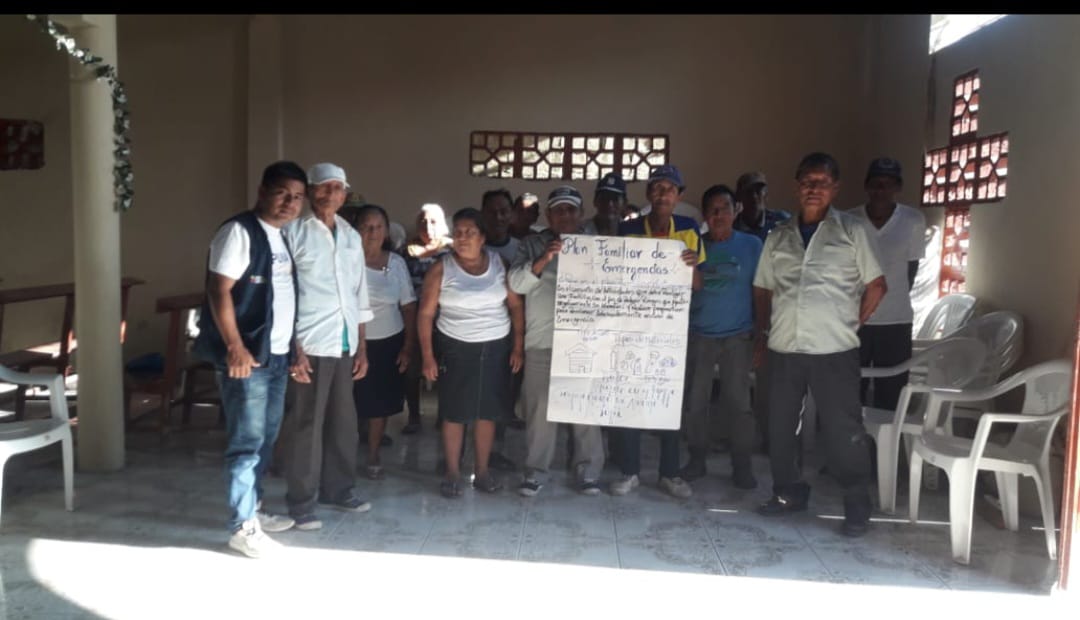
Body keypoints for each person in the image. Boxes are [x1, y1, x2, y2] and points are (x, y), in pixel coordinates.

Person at [752, 152, 887, 537]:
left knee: (843, 430)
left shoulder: (852, 231)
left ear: (835, 188)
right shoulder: (779, 235)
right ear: (797, 186)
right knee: (780, 427)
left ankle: (857, 504)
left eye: (822, 183)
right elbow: (762, 288)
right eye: (807, 182)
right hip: (784, 348)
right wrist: (761, 333)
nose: (814, 189)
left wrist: (852, 322)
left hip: (834, 351)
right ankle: (787, 492)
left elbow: (877, 286)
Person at [193, 160, 306, 558]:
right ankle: (242, 527)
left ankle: (253, 509)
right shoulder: (239, 232)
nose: (289, 203)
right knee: (247, 442)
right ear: (262, 191)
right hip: (247, 358)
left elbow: (283, 297)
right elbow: (218, 290)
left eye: (297, 197)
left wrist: (295, 349)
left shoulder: (281, 236)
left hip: (276, 356)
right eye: (282, 193)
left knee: (266, 438)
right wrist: (235, 347)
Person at [280, 162, 373, 531]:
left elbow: (359, 293)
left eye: (338, 187)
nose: (331, 193)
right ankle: (302, 502)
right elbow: (284, 293)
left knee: (343, 424)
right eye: (323, 186)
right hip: (310, 342)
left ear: (345, 195)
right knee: (306, 425)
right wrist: (295, 348)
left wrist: (362, 347)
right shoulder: (293, 232)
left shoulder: (350, 235)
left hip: (344, 343)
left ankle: (339, 490)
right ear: (310, 191)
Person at [417, 208, 525, 498]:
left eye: (470, 233)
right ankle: (453, 473)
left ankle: (483, 472)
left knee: (486, 412)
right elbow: (425, 314)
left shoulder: (499, 264)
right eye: (459, 233)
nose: (463, 238)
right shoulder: (441, 269)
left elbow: (515, 306)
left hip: (496, 348)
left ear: (483, 238)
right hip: (455, 347)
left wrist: (517, 345)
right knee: (454, 412)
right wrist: (427, 356)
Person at [611, 164, 702, 499]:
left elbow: (698, 284)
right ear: (649, 193)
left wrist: (692, 266)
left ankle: (670, 473)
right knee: (631, 399)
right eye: (657, 188)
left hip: (672, 332)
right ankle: (629, 471)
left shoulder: (689, 229)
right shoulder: (628, 229)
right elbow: (614, 276)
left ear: (679, 195)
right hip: (633, 328)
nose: (663, 194)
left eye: (670, 189)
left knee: (670, 401)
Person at [510, 186, 606, 497]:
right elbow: (516, 283)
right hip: (542, 341)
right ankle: (535, 471)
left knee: (584, 409)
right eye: (558, 210)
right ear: (549, 216)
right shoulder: (531, 244)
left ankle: (588, 471)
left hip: (586, 342)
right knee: (539, 410)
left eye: (571, 209)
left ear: (581, 214)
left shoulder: (598, 245)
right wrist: (544, 258)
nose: (565, 215)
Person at [679, 184, 762, 490]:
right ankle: (697, 458)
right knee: (695, 402)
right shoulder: (693, 248)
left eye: (724, 208)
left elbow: (762, 289)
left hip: (738, 336)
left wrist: (761, 333)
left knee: (739, 404)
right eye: (712, 210)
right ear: (704, 215)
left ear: (735, 210)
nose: (718, 215)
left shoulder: (752, 245)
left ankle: (742, 464)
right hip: (699, 335)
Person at [851, 157, 926, 410]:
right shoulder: (849, 220)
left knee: (891, 395)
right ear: (866, 186)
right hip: (854, 321)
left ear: (898, 187)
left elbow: (910, 272)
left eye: (888, 184)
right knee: (850, 391)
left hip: (896, 322)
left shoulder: (913, 220)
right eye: (876, 183)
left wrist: (888, 300)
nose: (881, 190)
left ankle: (886, 436)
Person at [350, 204, 417, 479]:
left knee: (380, 402)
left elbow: (409, 307)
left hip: (389, 342)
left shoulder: (396, 263)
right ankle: (344, 452)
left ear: (387, 231)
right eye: (366, 227)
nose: (372, 232)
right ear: (356, 230)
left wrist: (408, 346)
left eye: (378, 227)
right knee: (349, 401)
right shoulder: (346, 261)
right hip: (352, 343)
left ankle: (373, 454)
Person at [400, 203, 453, 434]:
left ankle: (444, 416)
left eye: (433, 221)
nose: (428, 227)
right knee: (411, 371)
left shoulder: (453, 252)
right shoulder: (406, 252)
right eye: (423, 221)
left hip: (445, 322)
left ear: (443, 224)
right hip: (413, 322)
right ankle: (413, 416)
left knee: (445, 372)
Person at [733, 171, 792, 241]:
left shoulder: (781, 221)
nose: (754, 196)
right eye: (749, 191)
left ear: (766, 195)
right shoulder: (731, 226)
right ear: (739, 197)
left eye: (758, 191)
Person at [482, 188, 521, 265]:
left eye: (503, 212)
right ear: (482, 214)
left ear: (512, 214)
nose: (498, 217)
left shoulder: (521, 249)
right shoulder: (471, 248)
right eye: (491, 212)